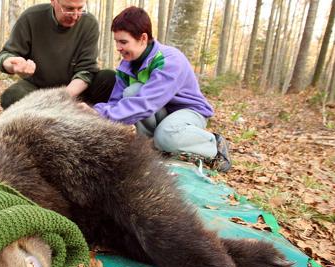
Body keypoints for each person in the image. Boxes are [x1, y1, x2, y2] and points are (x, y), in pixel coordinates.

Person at [91, 6, 232, 172]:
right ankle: (154, 148)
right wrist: (95, 112)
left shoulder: (169, 60)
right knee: (132, 92)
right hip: (161, 111)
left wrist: (101, 114)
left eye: (123, 42)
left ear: (143, 38)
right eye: (116, 42)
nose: (118, 48)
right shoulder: (126, 66)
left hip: (189, 112)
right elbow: (116, 101)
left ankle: (213, 144)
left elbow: (145, 103)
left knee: (165, 136)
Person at [0, 0, 116, 109]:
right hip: (38, 89)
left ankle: (89, 122)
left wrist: (62, 97)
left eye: (80, 9)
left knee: (110, 78)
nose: (75, 16)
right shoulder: (31, 18)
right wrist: (13, 64)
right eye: (69, 9)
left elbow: (87, 70)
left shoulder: (89, 24)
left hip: (75, 90)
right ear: (53, 2)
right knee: (12, 96)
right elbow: (6, 55)